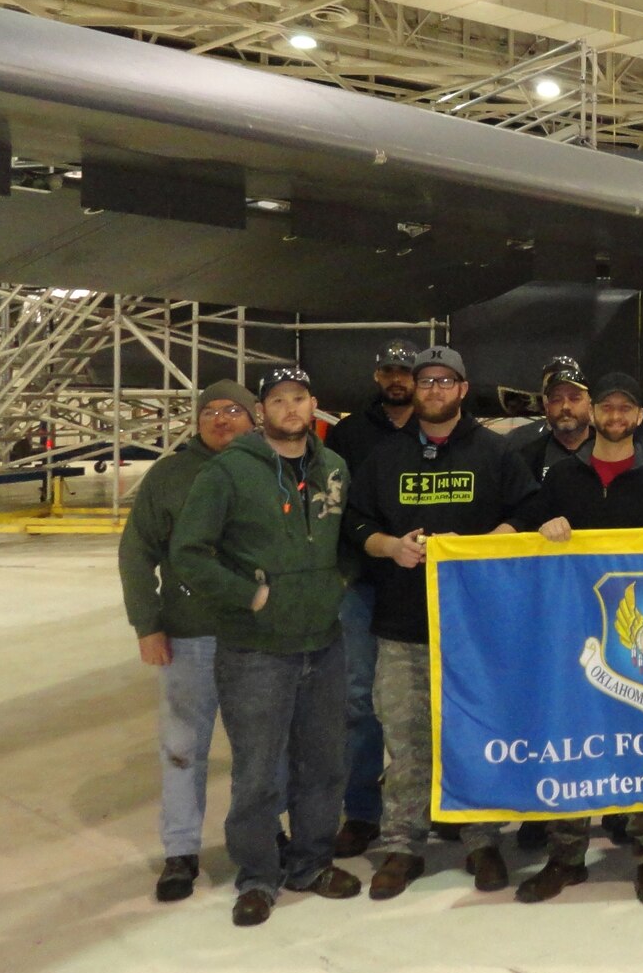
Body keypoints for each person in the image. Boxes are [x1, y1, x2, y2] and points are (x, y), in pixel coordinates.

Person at [344, 346, 544, 900]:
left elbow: (530, 508)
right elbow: (354, 521)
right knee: (407, 741)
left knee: (475, 735)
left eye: (444, 381)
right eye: (424, 381)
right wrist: (387, 545)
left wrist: (501, 537)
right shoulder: (386, 456)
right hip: (403, 626)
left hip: (474, 631)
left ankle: (482, 840)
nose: (433, 390)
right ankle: (402, 845)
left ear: (462, 388)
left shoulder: (496, 453)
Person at [170, 367, 360, 926]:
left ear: (313, 404)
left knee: (324, 762)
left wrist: (338, 582)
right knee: (258, 770)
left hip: (322, 642)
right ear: (262, 411)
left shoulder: (334, 468)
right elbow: (189, 552)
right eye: (278, 400)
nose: (290, 409)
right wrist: (246, 596)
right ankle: (257, 875)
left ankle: (311, 862)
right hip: (255, 650)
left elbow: (349, 535)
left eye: (299, 398)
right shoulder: (229, 472)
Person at [516, 372, 643, 906]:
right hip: (573, 629)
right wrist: (544, 531)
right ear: (595, 415)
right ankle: (566, 855)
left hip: (640, 638)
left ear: (639, 418)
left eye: (625, 410)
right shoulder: (562, 477)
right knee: (570, 737)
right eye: (607, 409)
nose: (615, 417)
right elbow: (528, 542)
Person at [118, 379, 259, 903]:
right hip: (191, 636)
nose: (220, 420)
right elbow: (136, 551)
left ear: (253, 417)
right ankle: (180, 851)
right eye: (209, 412)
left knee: (260, 747)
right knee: (182, 747)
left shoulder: (271, 467)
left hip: (257, 637)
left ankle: (260, 835)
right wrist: (147, 623)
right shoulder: (170, 476)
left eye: (232, 411)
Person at [321, 338, 420, 858]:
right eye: (390, 371)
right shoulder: (349, 434)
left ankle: (432, 804)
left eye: (408, 370)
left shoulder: (439, 433)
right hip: (364, 584)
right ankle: (361, 811)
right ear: (378, 377)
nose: (398, 379)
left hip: (424, 587)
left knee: (431, 700)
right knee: (360, 701)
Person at [514, 359, 595, 484]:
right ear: (547, 407)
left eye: (574, 398)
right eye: (557, 399)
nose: (565, 406)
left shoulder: (614, 451)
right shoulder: (527, 458)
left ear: (591, 405)